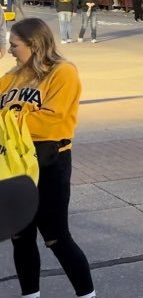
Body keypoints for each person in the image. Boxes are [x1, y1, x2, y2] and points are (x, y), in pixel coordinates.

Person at [1, 18, 95, 298]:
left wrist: (9, 119)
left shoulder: (63, 72)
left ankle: (87, 295)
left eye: (14, 45)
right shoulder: (11, 76)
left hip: (50, 162)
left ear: (34, 45)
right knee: (21, 237)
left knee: (56, 237)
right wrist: (15, 119)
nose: (10, 49)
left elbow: (51, 123)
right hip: (14, 167)